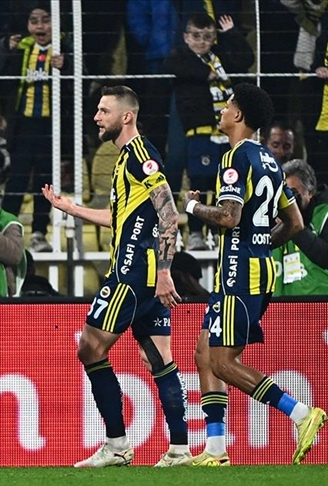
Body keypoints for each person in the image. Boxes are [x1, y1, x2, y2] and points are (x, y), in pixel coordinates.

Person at [42, 85, 190, 467]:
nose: (96, 117)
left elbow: (169, 214)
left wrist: (164, 271)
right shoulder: (126, 159)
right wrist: (71, 208)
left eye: (104, 111)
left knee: (89, 348)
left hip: (132, 273)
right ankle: (179, 448)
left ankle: (117, 444)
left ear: (126, 116)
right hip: (145, 274)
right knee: (158, 359)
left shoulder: (141, 156)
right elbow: (119, 218)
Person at [182, 83, 326, 466]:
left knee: (223, 362)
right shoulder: (269, 161)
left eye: (228, 104)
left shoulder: (235, 159)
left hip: (238, 271)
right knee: (203, 353)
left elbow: (229, 217)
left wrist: (192, 208)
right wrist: (260, 245)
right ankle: (215, 449)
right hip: (253, 267)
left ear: (239, 115)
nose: (223, 109)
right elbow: (295, 223)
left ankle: (301, 413)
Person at [0, 2, 71, 252]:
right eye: (34, 21)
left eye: (46, 20)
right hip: (23, 126)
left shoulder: (65, 47)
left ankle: (39, 234)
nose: (40, 26)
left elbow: (81, 83)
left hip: (51, 127)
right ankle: (6, 231)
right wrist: (4, 47)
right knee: (17, 180)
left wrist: (67, 66)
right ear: (26, 25)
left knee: (44, 181)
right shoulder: (19, 47)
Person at [163, 13, 254, 251]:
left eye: (207, 37)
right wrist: (206, 74)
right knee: (199, 181)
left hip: (225, 133)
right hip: (200, 131)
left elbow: (246, 58)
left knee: (223, 183)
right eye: (196, 36)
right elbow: (170, 64)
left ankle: (218, 231)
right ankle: (196, 232)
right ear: (186, 37)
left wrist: (231, 34)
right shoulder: (182, 57)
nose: (202, 42)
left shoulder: (220, 57)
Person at [273, 159, 328, 296]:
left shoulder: (324, 214)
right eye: (283, 194)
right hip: (288, 304)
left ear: (310, 192)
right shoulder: (275, 216)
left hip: (322, 303)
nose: (288, 201)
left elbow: (325, 257)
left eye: (292, 193)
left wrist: (294, 223)